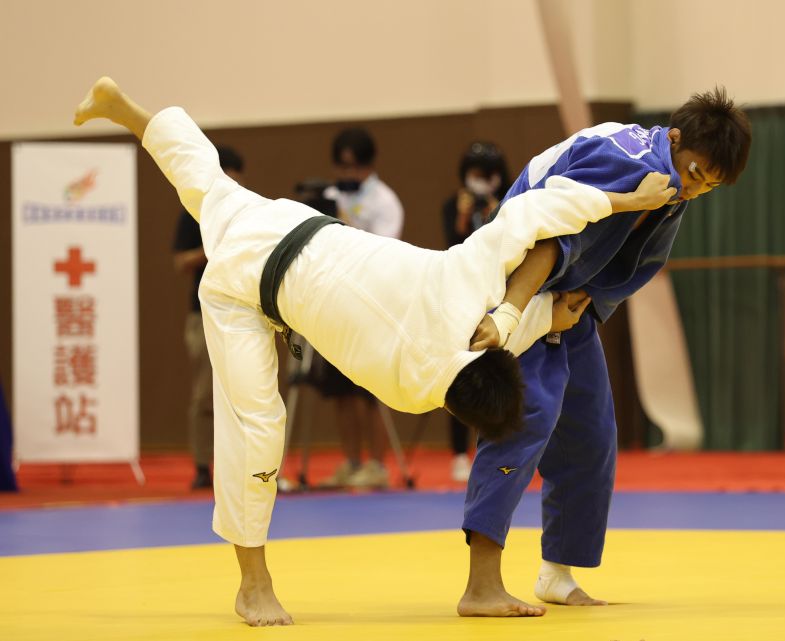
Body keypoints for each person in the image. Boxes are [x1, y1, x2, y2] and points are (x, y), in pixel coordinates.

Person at [73, 76, 675, 626]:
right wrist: (551, 314)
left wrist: (624, 205)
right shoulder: (411, 390)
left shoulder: (465, 287)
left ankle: (125, 109)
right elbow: (483, 351)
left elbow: (533, 213)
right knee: (255, 425)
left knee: (203, 183)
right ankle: (252, 585)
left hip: (284, 223)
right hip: (246, 290)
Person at [458, 87, 752, 617]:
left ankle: (557, 572)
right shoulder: (623, 156)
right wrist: (521, 310)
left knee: (590, 433)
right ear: (675, 138)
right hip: (516, 284)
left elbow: (640, 262)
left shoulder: (669, 184)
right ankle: (481, 584)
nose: (695, 189)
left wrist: (588, 298)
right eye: (694, 173)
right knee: (528, 417)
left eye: (710, 186)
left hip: (570, 299)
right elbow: (549, 227)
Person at [319, 127, 404, 489]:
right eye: (340, 166)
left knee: (369, 391)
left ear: (369, 165)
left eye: (352, 167)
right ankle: (351, 462)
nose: (345, 174)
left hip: (372, 303)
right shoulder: (329, 194)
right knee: (339, 391)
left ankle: (377, 465)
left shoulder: (385, 201)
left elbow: (382, 252)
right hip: (335, 302)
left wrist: (343, 219)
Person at [172, 145, 244, 489]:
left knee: (244, 391)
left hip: (241, 313)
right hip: (202, 314)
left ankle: (245, 466)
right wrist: (213, 246)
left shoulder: (247, 210)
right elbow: (180, 262)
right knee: (204, 394)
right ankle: (203, 465)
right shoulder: (194, 211)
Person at [441, 141, 510, 482]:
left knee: (501, 373)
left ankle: (501, 446)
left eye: (488, 175)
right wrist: (464, 215)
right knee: (459, 373)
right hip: (462, 298)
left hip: (501, 297)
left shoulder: (511, 203)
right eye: (476, 174)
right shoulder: (454, 205)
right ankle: (458, 453)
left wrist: (498, 210)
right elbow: (451, 245)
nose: (481, 181)